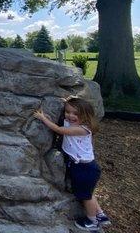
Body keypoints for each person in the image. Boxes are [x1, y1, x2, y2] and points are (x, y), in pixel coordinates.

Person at [34, 97, 111, 231]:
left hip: (85, 168)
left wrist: (42, 118)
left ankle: (92, 221)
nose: (70, 116)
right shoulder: (73, 123)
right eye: (68, 112)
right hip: (83, 166)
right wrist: (66, 103)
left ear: (85, 116)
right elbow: (67, 120)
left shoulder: (82, 129)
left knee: (85, 196)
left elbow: (59, 130)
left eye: (75, 114)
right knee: (88, 192)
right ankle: (100, 215)